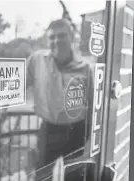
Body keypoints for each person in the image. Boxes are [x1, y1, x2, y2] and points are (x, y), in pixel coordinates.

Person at [24, 18, 94, 178]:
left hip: (77, 131)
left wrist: (90, 141)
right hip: (49, 130)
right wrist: (2, 106)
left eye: (62, 35)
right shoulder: (37, 60)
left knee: (75, 177)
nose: (56, 41)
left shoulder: (85, 68)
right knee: (42, 176)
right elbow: (16, 84)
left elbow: (93, 105)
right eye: (52, 37)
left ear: (71, 37)